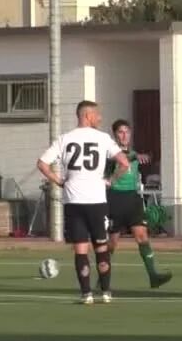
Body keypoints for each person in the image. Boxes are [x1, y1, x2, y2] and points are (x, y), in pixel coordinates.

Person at [36, 101, 133, 304]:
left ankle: (86, 294)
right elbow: (124, 163)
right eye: (97, 115)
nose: (99, 118)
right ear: (87, 115)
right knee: (101, 247)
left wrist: (59, 181)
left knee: (80, 248)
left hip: (73, 200)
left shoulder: (65, 139)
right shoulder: (103, 138)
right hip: (97, 200)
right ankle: (106, 292)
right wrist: (110, 181)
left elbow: (42, 164)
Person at [100, 119, 172, 300]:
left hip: (132, 198)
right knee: (113, 242)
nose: (124, 135)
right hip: (115, 198)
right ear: (115, 135)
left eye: (127, 132)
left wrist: (138, 156)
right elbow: (111, 169)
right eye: (120, 132)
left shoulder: (133, 153)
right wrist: (134, 156)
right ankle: (103, 279)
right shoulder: (111, 152)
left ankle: (153, 275)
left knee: (142, 236)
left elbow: (132, 161)